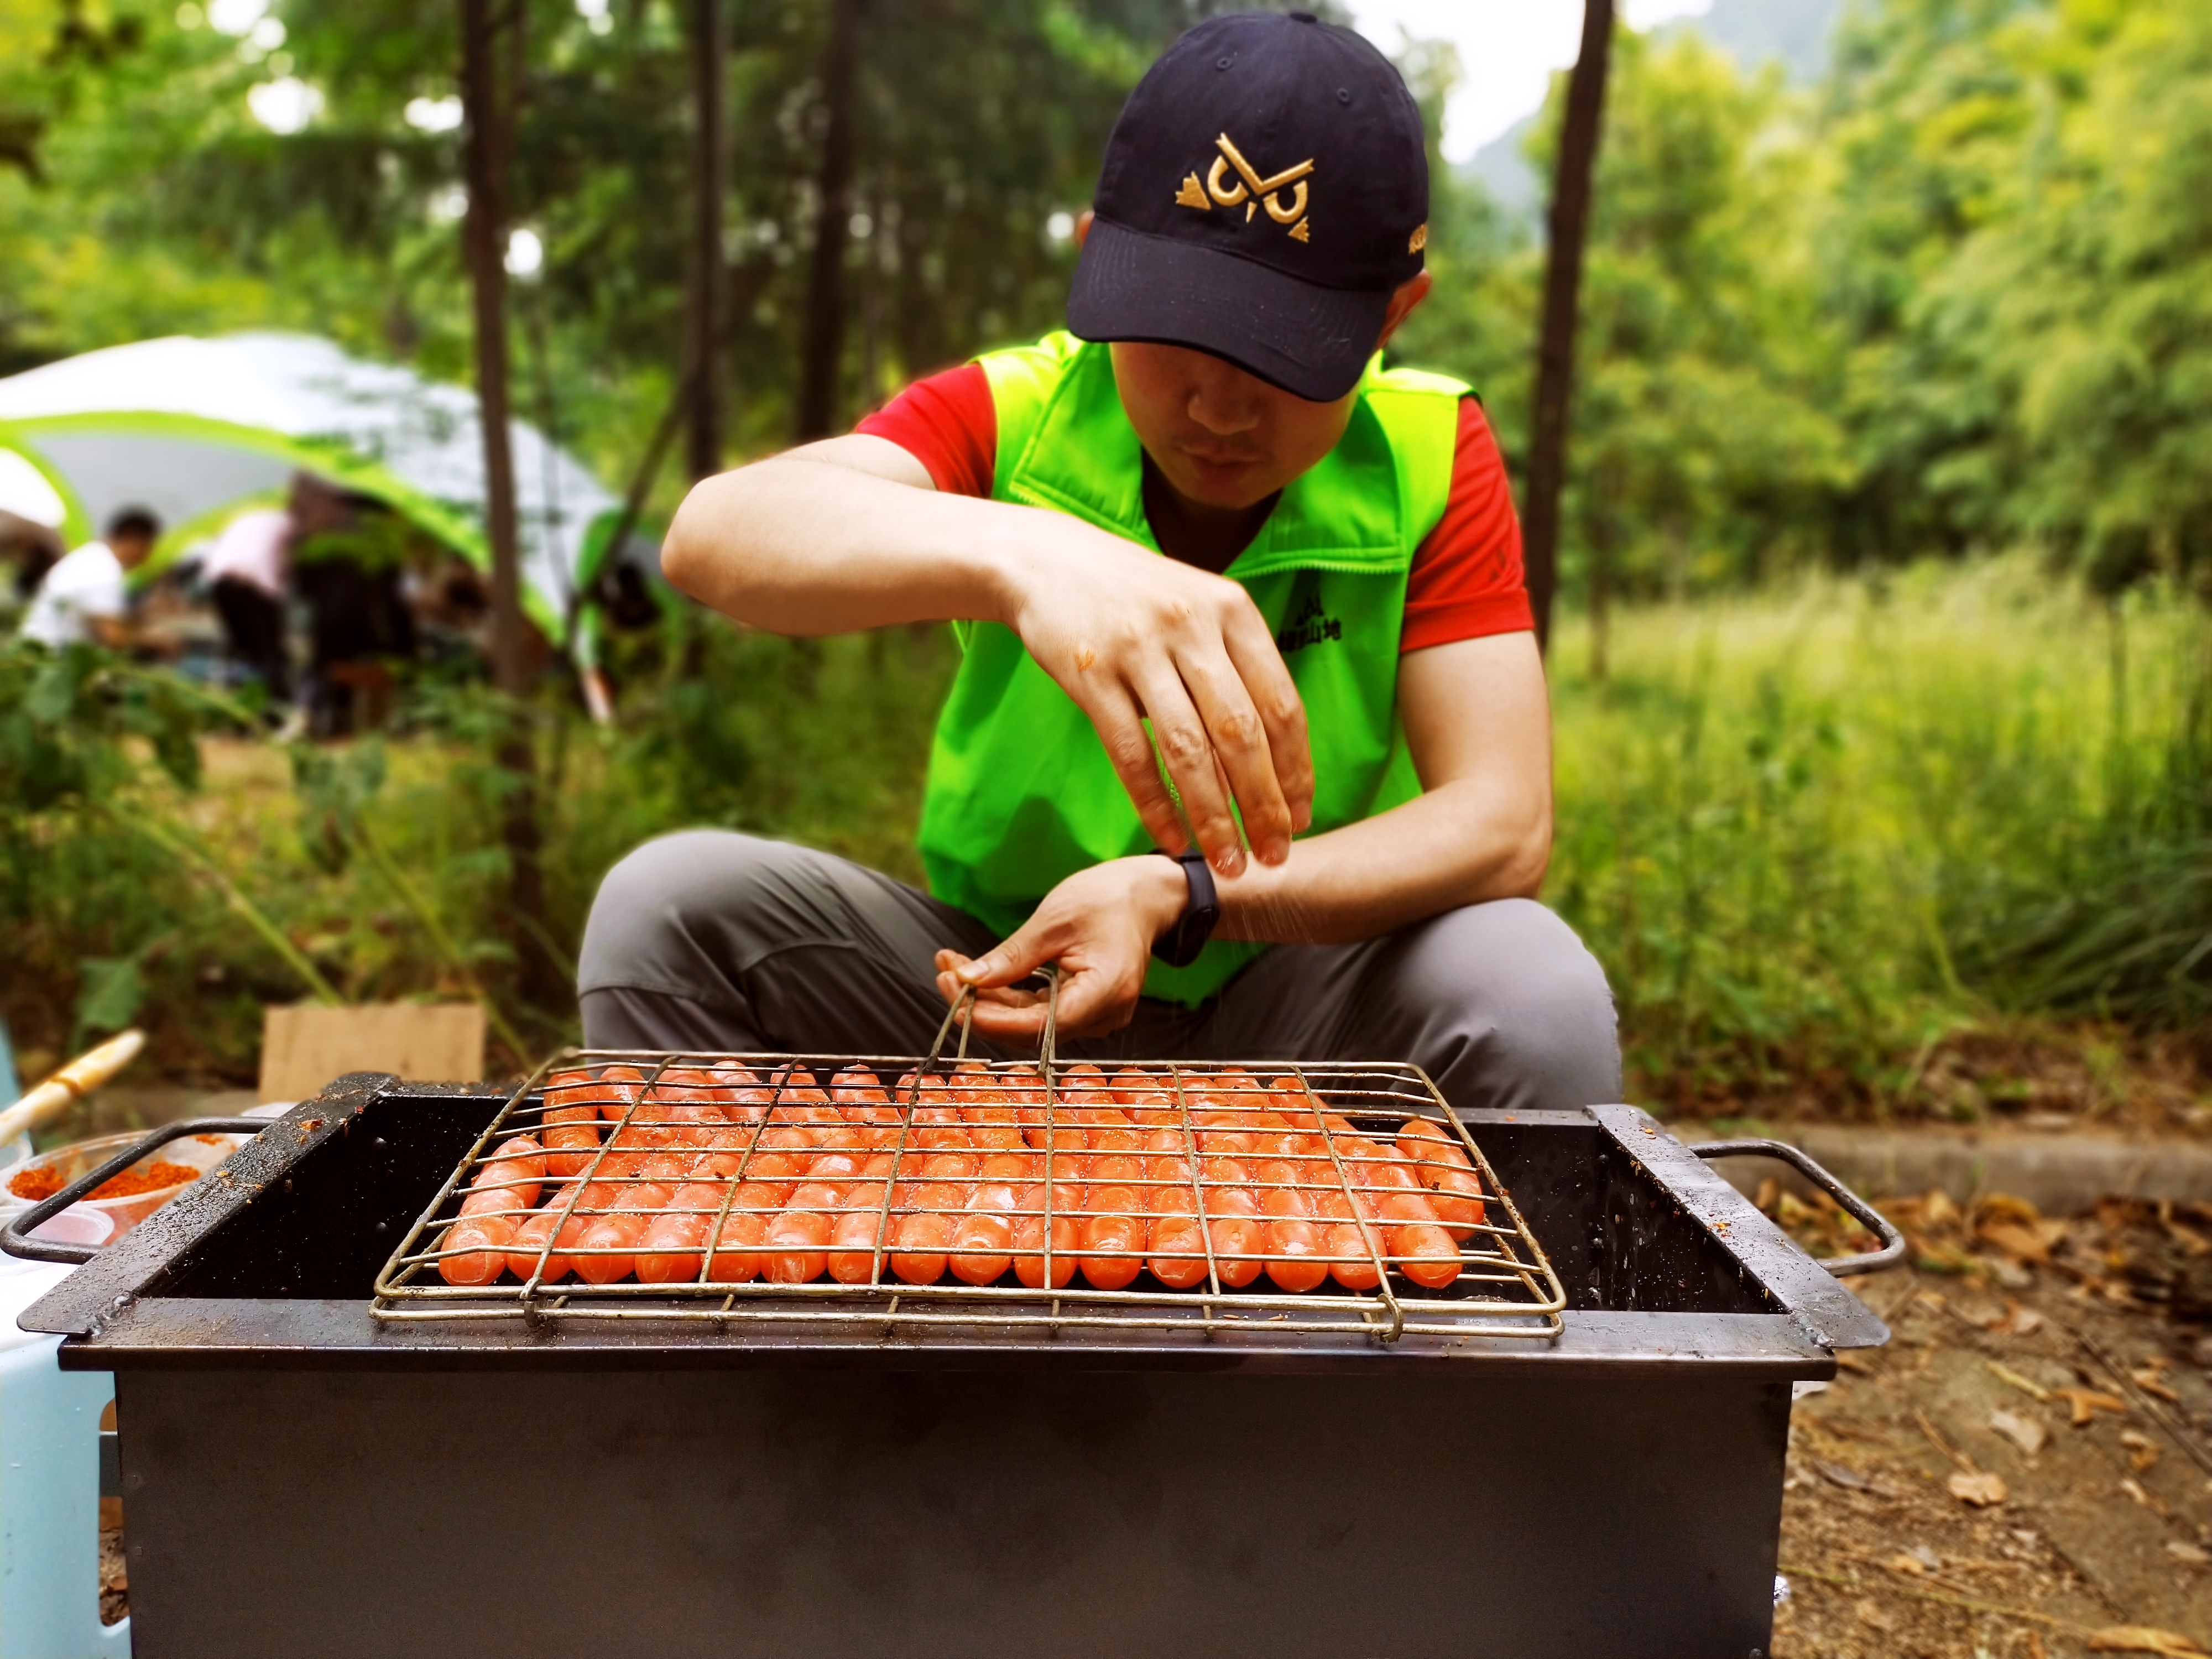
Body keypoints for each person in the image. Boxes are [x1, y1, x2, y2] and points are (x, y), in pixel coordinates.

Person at [580, 11, 1620, 1114]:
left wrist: (1183, 897)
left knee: (1527, 988)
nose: (1219, 406)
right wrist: (1028, 554)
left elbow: (1502, 822)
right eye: (1181, 331)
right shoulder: (1020, 413)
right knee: (666, 910)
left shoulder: (1422, 453)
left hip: (1295, 1006)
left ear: (1392, 316)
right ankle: (721, 1272)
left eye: (1283, 351)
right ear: (1097, 262)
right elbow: (716, 534)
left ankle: (1430, 1280)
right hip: (996, 989)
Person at [18, 507, 160, 650]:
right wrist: (153, 641)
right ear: (136, 542)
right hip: (50, 654)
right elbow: (113, 636)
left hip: (38, 648)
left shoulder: (92, 557)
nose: (149, 556)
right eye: (150, 547)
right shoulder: (104, 571)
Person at [200, 499, 294, 702]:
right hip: (253, 581)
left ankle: (239, 702)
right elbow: (287, 563)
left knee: (242, 647)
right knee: (269, 650)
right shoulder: (291, 524)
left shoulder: (250, 517)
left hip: (220, 579)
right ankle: (275, 708)